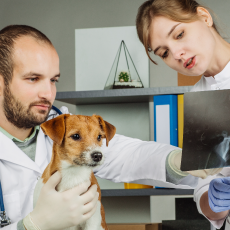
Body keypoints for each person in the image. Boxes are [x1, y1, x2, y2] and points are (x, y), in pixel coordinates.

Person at [0, 24, 219, 230]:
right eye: (33, 78)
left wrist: (177, 161)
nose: (48, 94)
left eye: (53, 80)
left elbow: (130, 156)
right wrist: (31, 225)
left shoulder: (64, 125)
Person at [136, 0, 230, 229]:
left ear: (204, 17)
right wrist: (216, 201)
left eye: (179, 34)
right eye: (164, 52)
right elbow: (204, 186)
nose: (177, 54)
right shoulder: (200, 101)